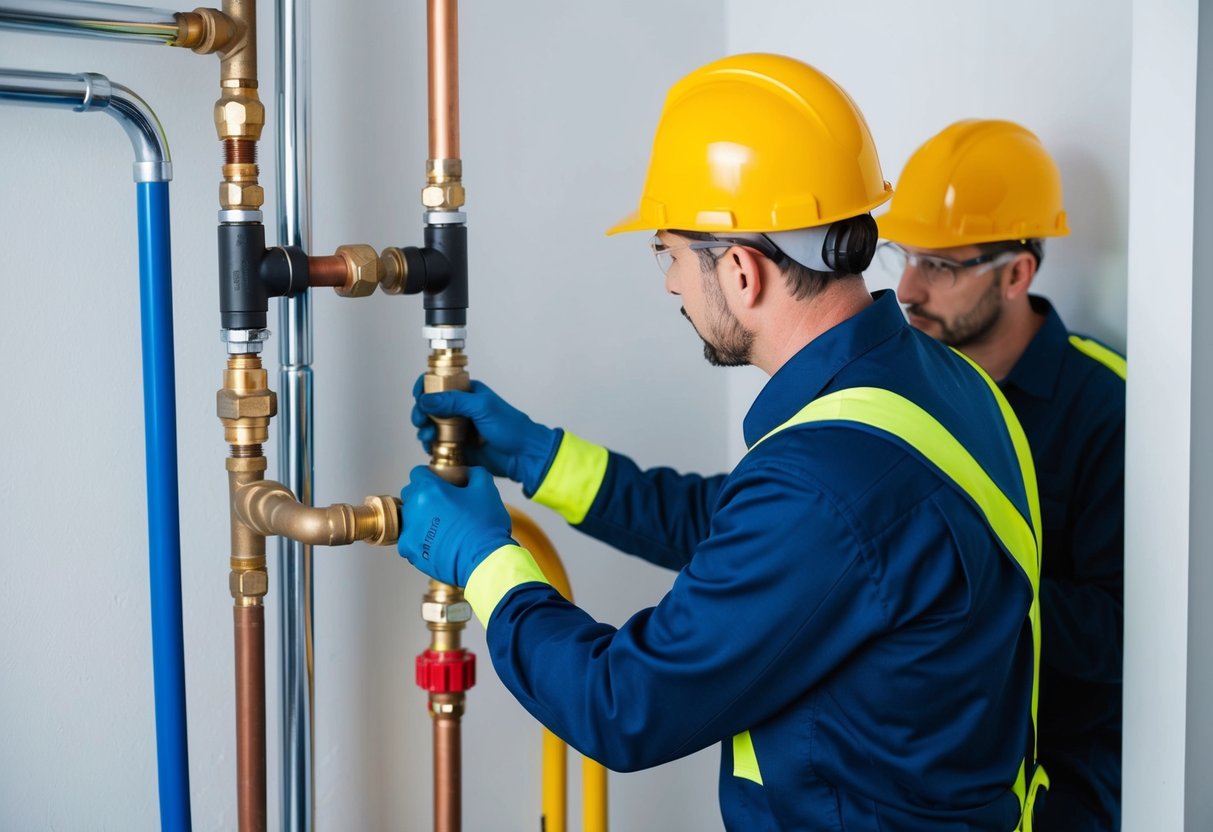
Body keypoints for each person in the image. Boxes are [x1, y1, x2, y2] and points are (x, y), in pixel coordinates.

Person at [399, 55, 1046, 830]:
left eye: (669, 254)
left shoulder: (823, 480)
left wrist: (482, 562)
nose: (670, 283)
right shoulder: (943, 384)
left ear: (740, 270)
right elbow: (746, 531)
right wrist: (541, 457)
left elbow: (623, 706)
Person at [877, 119, 1126, 830]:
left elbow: (1126, 630)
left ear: (1016, 273)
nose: (906, 288)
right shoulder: (909, 388)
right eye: (903, 255)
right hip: (929, 770)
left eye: (941, 266)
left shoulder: (1106, 408)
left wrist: (968, 588)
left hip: (1056, 788)